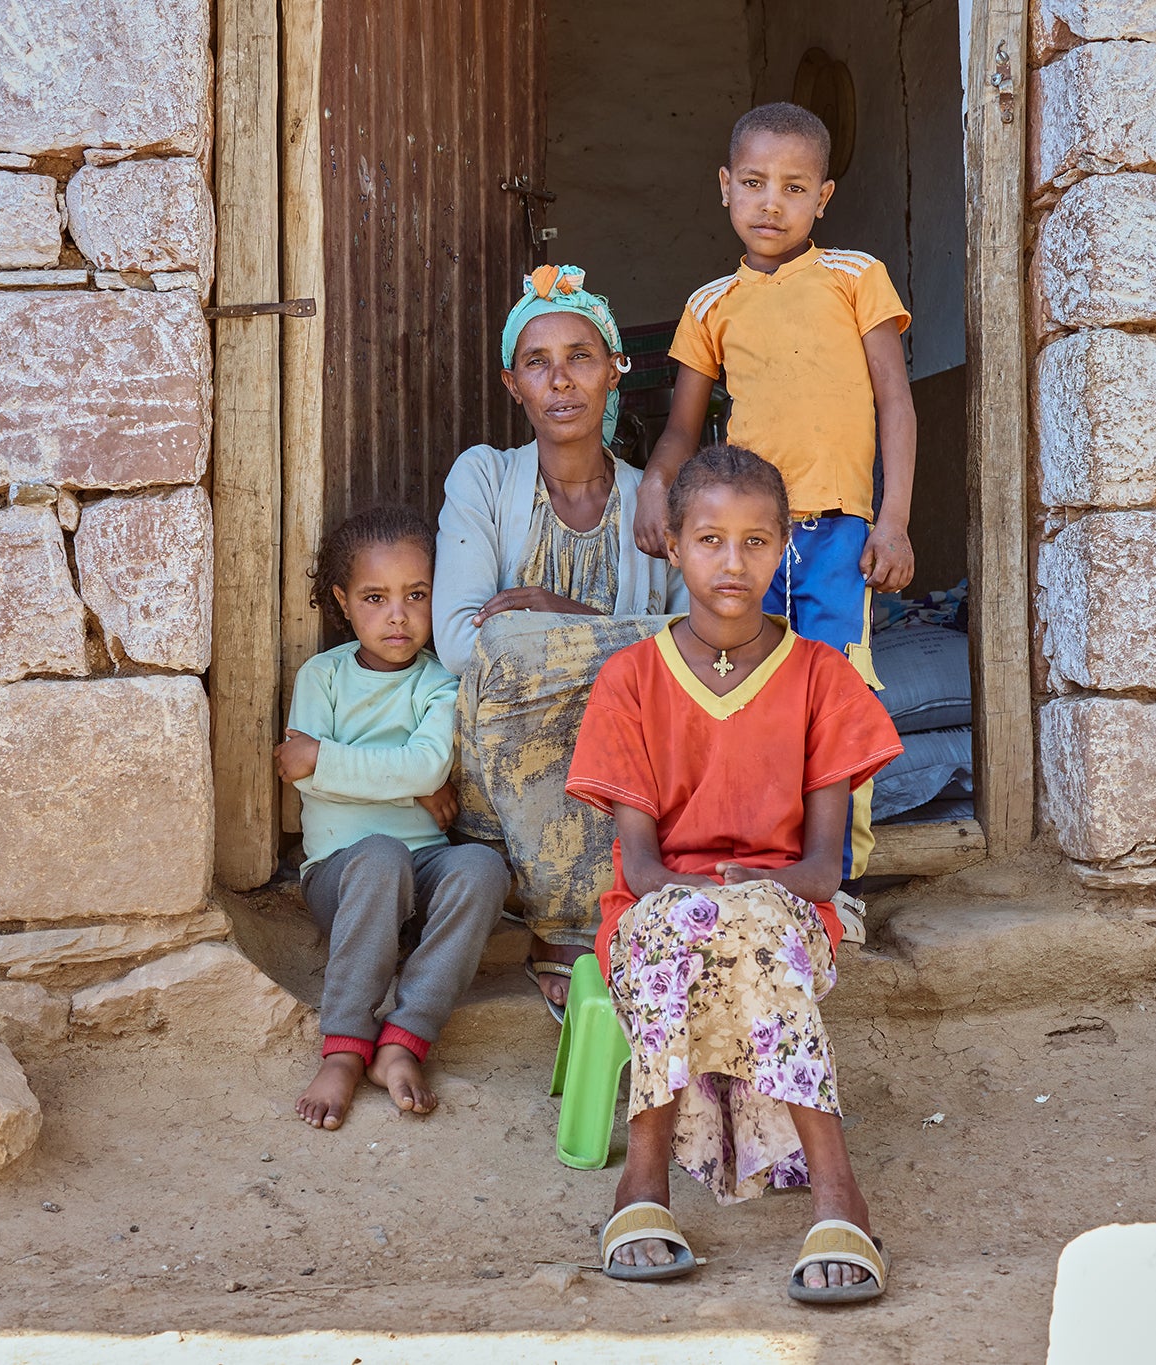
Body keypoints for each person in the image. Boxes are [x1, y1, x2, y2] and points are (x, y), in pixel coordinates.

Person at [568, 445, 902, 1304]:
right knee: (693, 924)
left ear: (785, 545)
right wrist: (709, 895)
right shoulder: (632, 679)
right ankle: (647, 1181)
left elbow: (822, 870)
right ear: (672, 544)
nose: (733, 562)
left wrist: (743, 895)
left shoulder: (823, 679)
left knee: (750, 923)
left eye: (757, 541)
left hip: (787, 914)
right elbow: (640, 867)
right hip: (656, 911)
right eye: (710, 539)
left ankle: (836, 1195)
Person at [630, 101, 918, 881]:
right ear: (725, 186)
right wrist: (658, 483)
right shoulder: (710, 305)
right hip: (747, 537)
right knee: (752, 687)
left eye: (794, 187)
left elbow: (895, 399)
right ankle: (760, 856)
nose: (771, 202)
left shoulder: (856, 278)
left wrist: (892, 522)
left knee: (835, 692)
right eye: (753, 182)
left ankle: (838, 876)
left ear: (823, 197)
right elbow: (683, 429)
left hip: (837, 535)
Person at [432, 264, 684, 1018]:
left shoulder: (654, 500)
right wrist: (615, 643)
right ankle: (566, 925)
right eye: (538, 363)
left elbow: (695, 647)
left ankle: (598, 912)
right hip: (501, 780)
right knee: (504, 648)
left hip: (624, 763)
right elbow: (460, 645)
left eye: (580, 356)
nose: (562, 380)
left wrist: (557, 611)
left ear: (615, 370)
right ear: (514, 385)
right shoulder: (484, 477)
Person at [277, 505, 510, 1130]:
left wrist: (327, 760)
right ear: (342, 601)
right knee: (379, 854)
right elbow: (319, 790)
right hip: (343, 874)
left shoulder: (439, 683)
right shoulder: (321, 677)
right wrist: (406, 784)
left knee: (484, 868)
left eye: (416, 595)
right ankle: (346, 1046)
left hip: (426, 869)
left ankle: (405, 1038)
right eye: (375, 597)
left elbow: (421, 769)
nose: (398, 615)